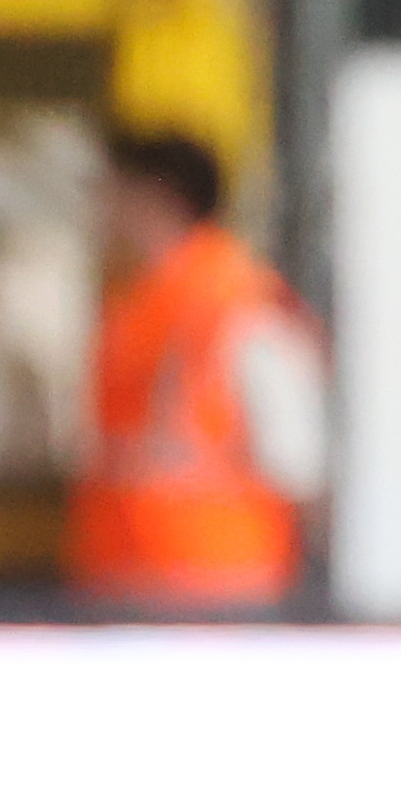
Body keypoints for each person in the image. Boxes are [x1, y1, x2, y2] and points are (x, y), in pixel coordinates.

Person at [66, 130, 326, 611]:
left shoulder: (237, 299)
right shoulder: (140, 301)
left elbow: (297, 456)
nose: (102, 206)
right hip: (134, 584)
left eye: (115, 189)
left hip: (220, 590)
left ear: (155, 197)